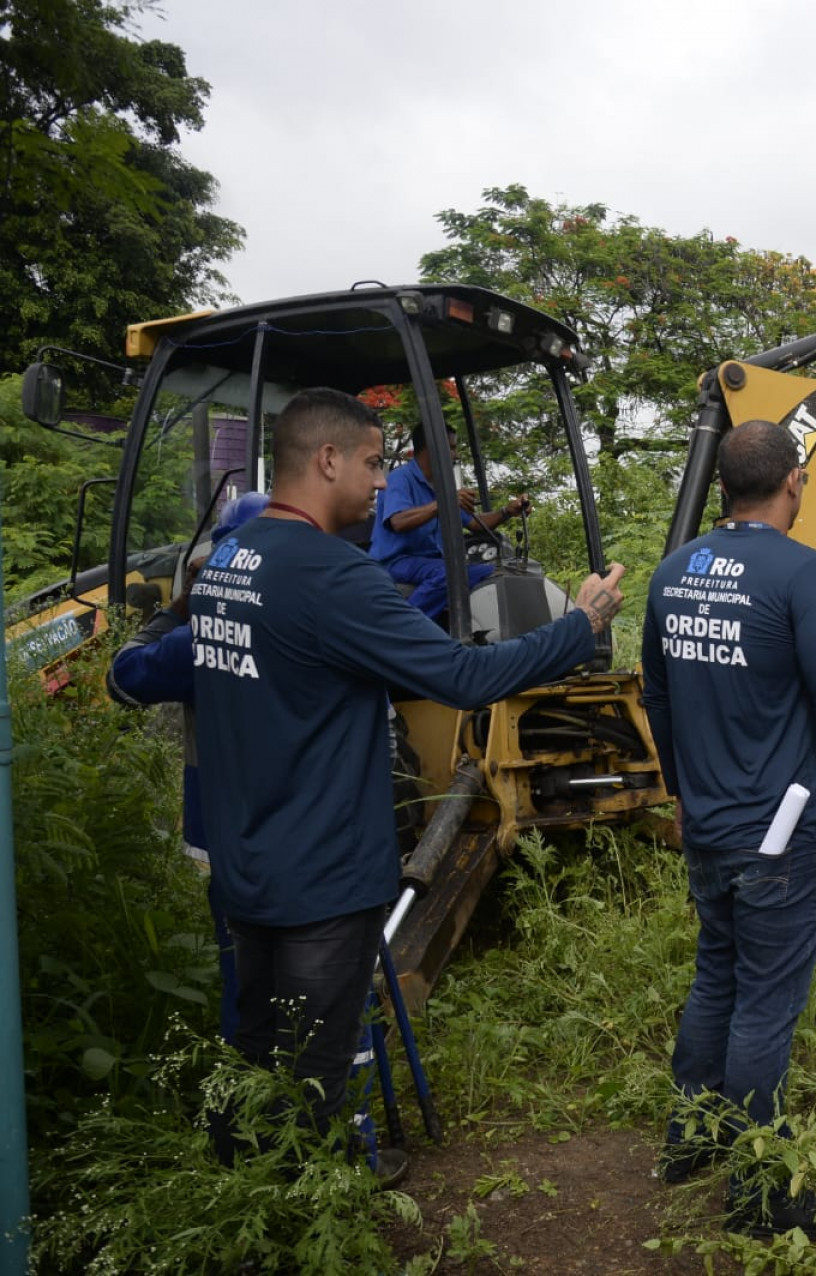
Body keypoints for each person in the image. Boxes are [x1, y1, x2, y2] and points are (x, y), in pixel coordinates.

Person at [191, 387, 626, 1171]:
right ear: (326, 460)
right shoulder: (334, 574)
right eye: (370, 462)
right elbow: (462, 676)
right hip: (322, 873)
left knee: (255, 1045)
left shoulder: (230, 560)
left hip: (246, 860)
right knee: (319, 1071)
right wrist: (580, 625)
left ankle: (241, 1195)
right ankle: (310, 1221)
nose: (378, 480)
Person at [640, 418, 816, 1240]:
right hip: (780, 841)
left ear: (724, 486)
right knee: (762, 1006)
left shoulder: (674, 570)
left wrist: (681, 793)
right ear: (793, 482)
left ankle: (691, 1138)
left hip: (710, 830)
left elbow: (656, 692)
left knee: (717, 976)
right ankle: (760, 1190)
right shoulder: (804, 573)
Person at [108, 490, 271, 1045]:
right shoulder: (320, 618)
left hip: (227, 836)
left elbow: (122, 678)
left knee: (245, 982)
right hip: (314, 838)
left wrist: (179, 607)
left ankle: (253, 1099)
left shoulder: (196, 640)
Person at [370, 421, 530, 620]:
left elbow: (474, 523)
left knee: (488, 570)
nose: (456, 455)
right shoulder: (400, 478)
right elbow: (398, 521)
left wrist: (507, 511)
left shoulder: (440, 487)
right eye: (452, 448)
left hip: (430, 563)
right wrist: (445, 501)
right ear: (433, 447)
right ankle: (401, 628)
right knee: (454, 574)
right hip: (396, 562)